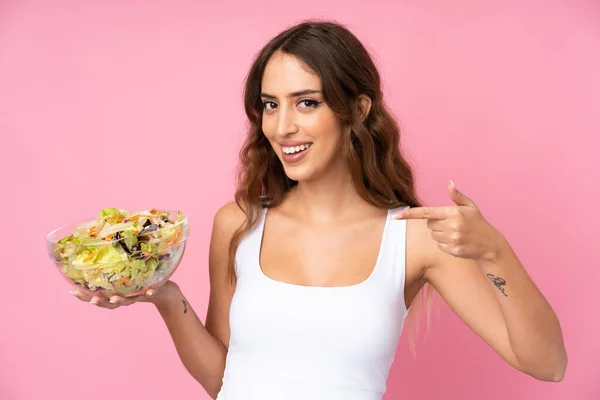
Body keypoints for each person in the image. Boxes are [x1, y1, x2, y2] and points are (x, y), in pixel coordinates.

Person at [71, 20, 567, 400]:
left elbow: (547, 364)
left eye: (306, 103)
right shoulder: (238, 224)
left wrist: (495, 252)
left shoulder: (413, 238)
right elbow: (225, 380)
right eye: (270, 104)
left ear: (356, 110)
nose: (282, 126)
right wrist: (166, 296)